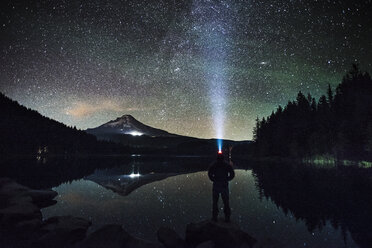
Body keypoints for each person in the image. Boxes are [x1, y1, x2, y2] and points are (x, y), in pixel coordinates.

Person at [208, 152, 235, 222]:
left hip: (216, 186)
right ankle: (227, 218)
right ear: (223, 158)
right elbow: (232, 174)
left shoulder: (213, 165)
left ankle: (214, 218)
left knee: (215, 202)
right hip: (224, 186)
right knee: (226, 202)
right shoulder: (227, 165)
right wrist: (227, 179)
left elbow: (209, 174)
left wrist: (213, 179)